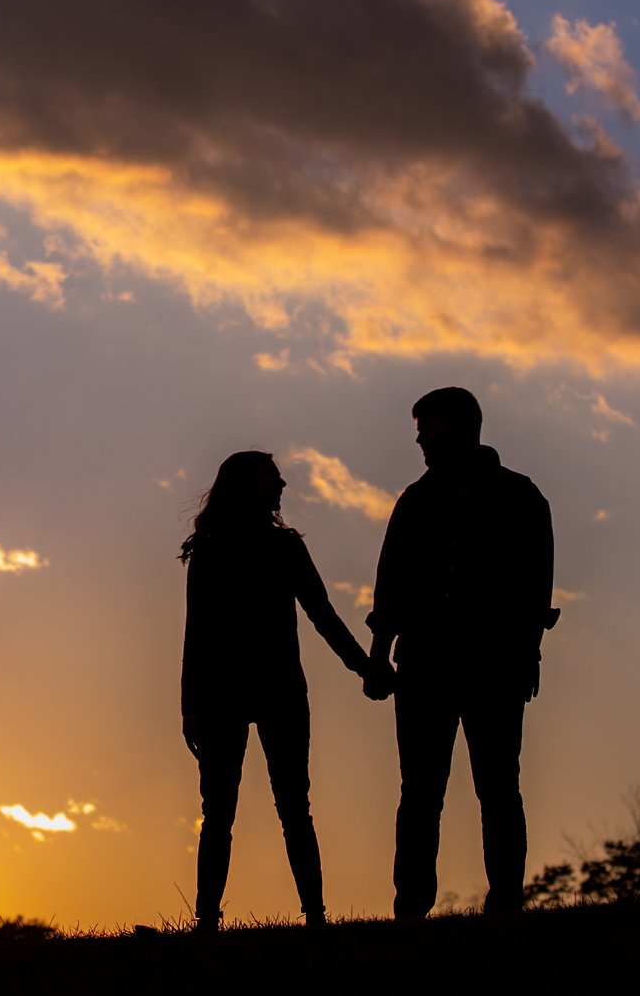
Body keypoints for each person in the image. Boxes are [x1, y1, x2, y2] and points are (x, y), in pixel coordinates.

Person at [364, 387, 557, 919]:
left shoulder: (520, 497)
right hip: (424, 664)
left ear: (461, 426)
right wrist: (380, 655)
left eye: (429, 427)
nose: (421, 438)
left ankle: (505, 903)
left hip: (493, 664)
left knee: (497, 788)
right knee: (420, 793)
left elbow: (534, 587)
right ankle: (411, 907)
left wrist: (525, 655)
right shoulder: (415, 501)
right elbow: (391, 584)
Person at [180, 449, 374, 930]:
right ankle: (211, 918)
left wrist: (365, 667)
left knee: (285, 806)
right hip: (235, 693)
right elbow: (197, 630)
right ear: (250, 483)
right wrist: (190, 705)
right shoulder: (212, 548)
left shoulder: (280, 547)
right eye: (274, 476)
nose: (283, 484)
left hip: (273, 690)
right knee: (232, 811)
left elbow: (322, 613)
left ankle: (312, 913)